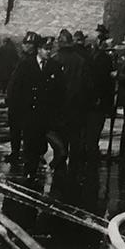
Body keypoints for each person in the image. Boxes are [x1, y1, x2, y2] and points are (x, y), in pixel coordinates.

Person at [42, 29, 91, 181]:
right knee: (75, 139)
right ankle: (74, 171)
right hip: (76, 106)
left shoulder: (55, 60)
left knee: (60, 138)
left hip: (59, 106)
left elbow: (47, 85)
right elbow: (86, 85)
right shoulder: (81, 61)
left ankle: (60, 169)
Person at [5, 31, 45, 167]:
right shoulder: (24, 61)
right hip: (21, 103)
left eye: (28, 44)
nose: (25, 46)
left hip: (22, 103)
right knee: (18, 131)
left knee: (21, 131)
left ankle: (21, 154)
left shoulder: (28, 63)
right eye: (25, 43)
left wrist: (10, 99)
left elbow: (16, 83)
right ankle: (19, 153)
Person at [81, 31, 116, 165]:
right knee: (94, 129)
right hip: (98, 100)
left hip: (87, 99)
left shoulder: (86, 55)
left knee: (86, 130)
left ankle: (86, 151)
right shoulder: (103, 58)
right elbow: (104, 81)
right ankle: (91, 154)